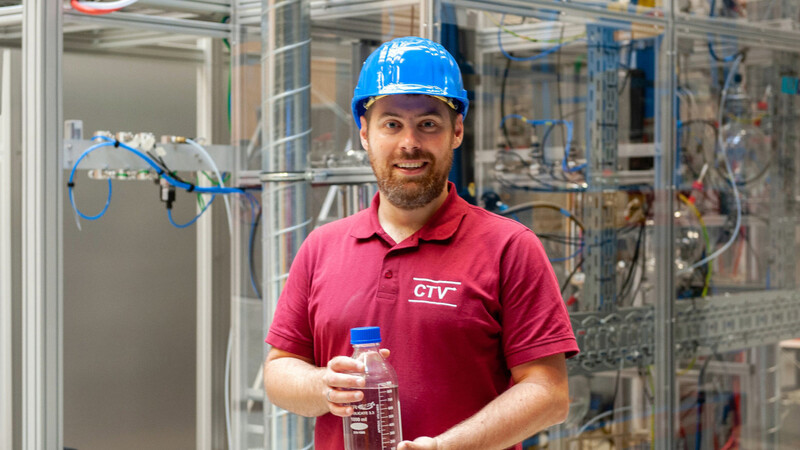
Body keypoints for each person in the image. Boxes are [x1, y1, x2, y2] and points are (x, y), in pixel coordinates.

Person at [263, 36, 579, 450]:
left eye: (428, 124)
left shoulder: (509, 247)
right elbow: (279, 371)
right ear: (365, 133)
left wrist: (447, 447)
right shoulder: (322, 246)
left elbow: (549, 394)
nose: (409, 142)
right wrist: (321, 384)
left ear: (457, 131)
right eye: (391, 124)